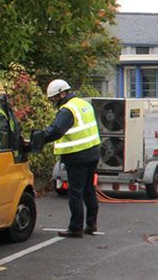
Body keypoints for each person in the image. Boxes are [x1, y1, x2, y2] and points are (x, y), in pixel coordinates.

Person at [36, 79, 101, 238]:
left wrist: (39, 138)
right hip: (93, 151)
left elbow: (56, 130)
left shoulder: (67, 110)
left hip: (77, 155)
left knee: (75, 192)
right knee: (88, 188)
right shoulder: (83, 104)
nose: (53, 101)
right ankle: (91, 223)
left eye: (54, 98)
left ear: (62, 93)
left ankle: (75, 228)